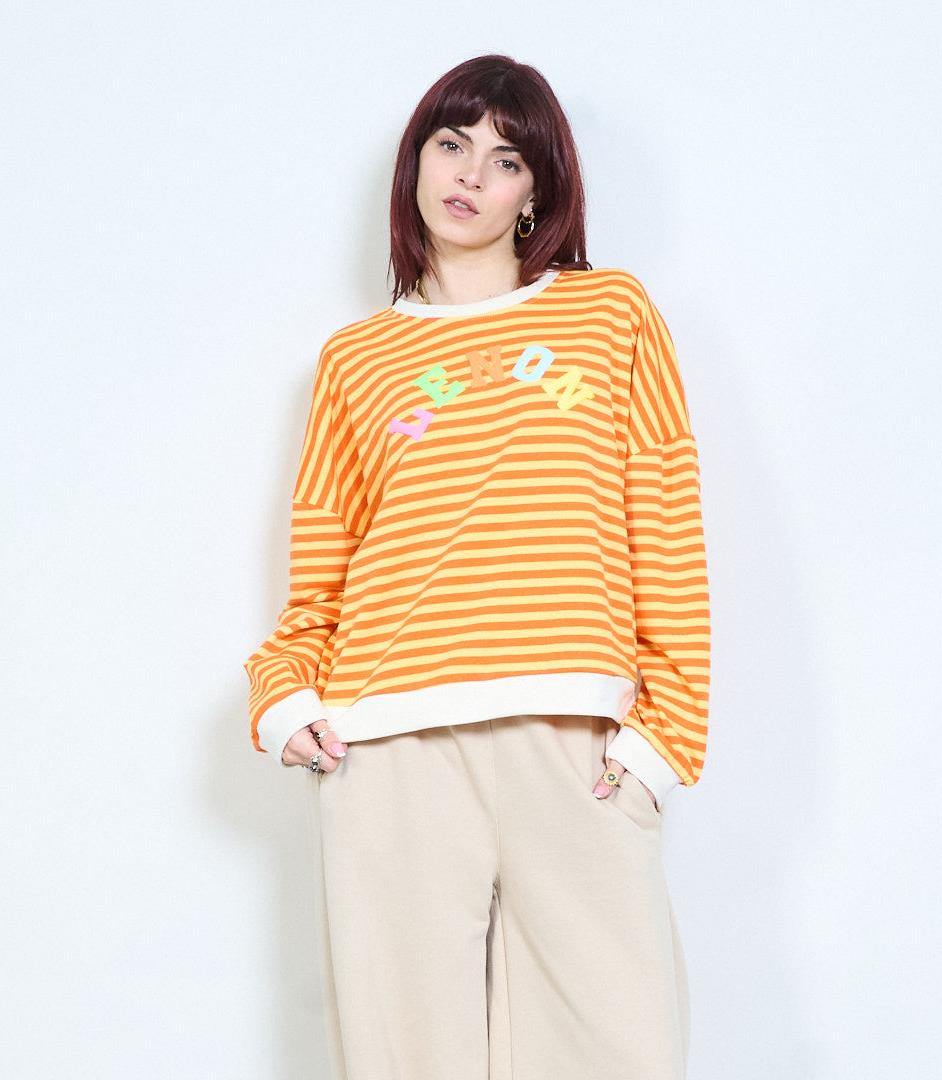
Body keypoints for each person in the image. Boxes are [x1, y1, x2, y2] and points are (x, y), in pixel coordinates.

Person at [245, 54, 710, 1080]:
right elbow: (323, 568)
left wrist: (663, 739)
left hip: (574, 742)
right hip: (388, 743)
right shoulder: (354, 361)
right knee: (406, 1058)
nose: (469, 175)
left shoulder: (611, 314)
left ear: (534, 190)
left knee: (622, 1048)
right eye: (451, 145)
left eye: (505, 160)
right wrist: (282, 692)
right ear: (415, 163)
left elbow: (667, 519)